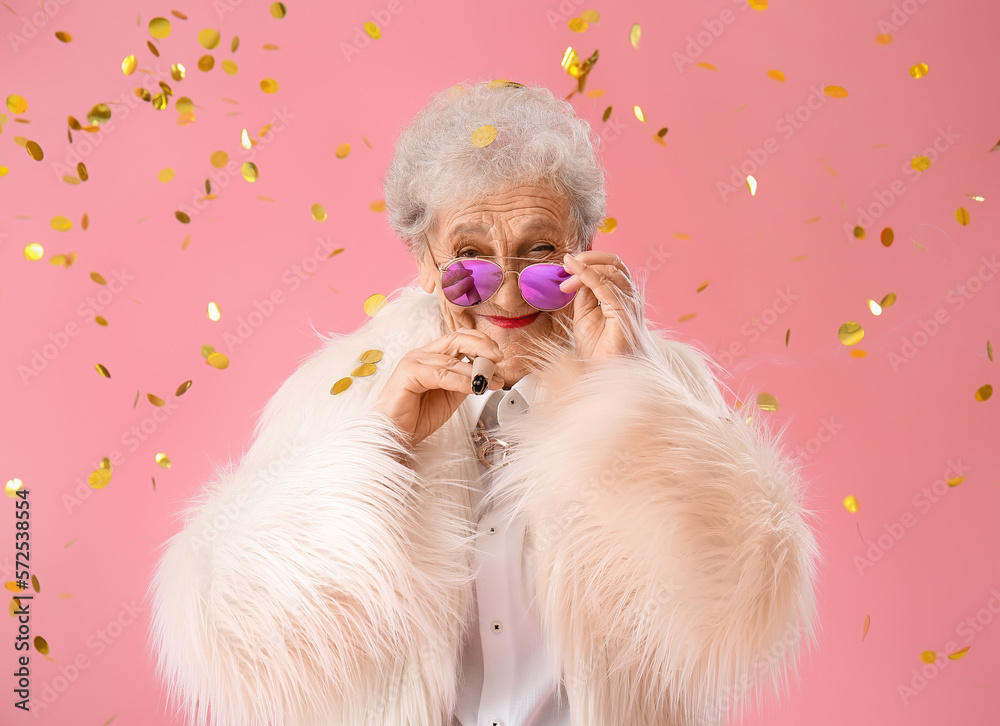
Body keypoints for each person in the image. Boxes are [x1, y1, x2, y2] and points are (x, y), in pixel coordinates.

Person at [147, 80, 821, 726]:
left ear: (583, 250)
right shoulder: (340, 390)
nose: (507, 297)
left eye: (540, 255)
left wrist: (625, 404)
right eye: (471, 259)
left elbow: (738, 604)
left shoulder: (660, 387)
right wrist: (376, 450)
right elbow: (237, 626)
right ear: (421, 259)